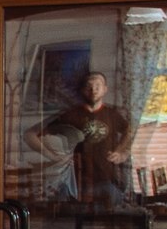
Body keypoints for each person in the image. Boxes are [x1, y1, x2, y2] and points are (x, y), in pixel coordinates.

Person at [30, 70, 133, 201]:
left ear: (105, 89)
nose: (93, 90)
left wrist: (120, 151)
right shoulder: (70, 115)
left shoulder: (113, 114)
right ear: (83, 90)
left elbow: (129, 131)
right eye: (89, 86)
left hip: (109, 180)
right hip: (79, 183)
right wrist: (52, 156)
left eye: (98, 85)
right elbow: (31, 135)